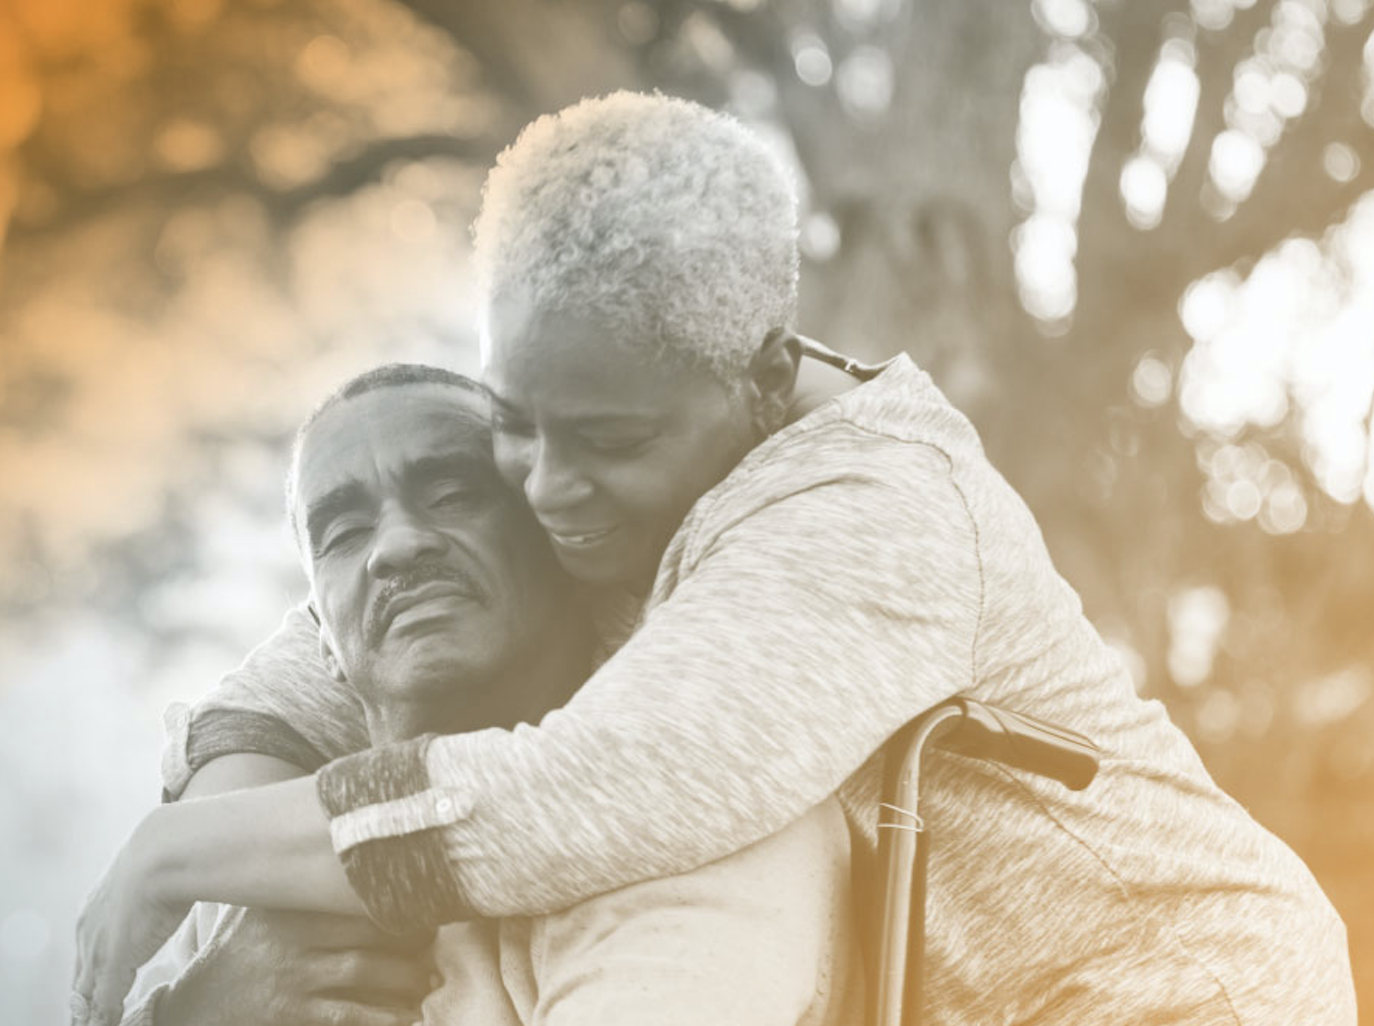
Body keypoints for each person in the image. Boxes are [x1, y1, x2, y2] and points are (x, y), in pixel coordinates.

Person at [76, 92, 1357, 1026]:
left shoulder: (863, 514)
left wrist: (173, 863)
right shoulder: (602, 465)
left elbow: (576, 795)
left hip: (1166, 992)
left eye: (606, 441)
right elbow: (336, 636)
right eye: (512, 426)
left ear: (757, 382)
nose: (549, 487)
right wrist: (216, 938)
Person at [118, 362, 860, 1026]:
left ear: (566, 548)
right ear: (322, 648)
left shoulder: (706, 807)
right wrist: (191, 1011)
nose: (398, 546)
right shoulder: (250, 886)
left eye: (451, 493)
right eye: (343, 530)